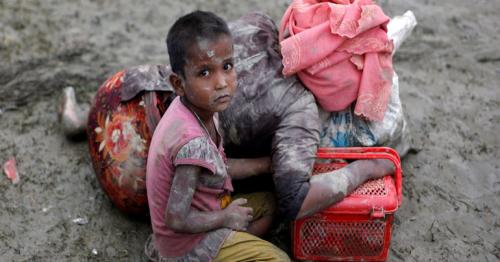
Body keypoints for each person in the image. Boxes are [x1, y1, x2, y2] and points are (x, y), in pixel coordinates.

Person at [144, 11, 290, 261]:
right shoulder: (192, 144)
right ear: (179, 84)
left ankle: (236, 247)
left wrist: (268, 164)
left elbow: (217, 167)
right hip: (188, 245)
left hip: (209, 211)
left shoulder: (202, 109)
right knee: (279, 259)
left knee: (268, 203)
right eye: (204, 73)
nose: (221, 82)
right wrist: (225, 218)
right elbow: (176, 218)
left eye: (227, 66)